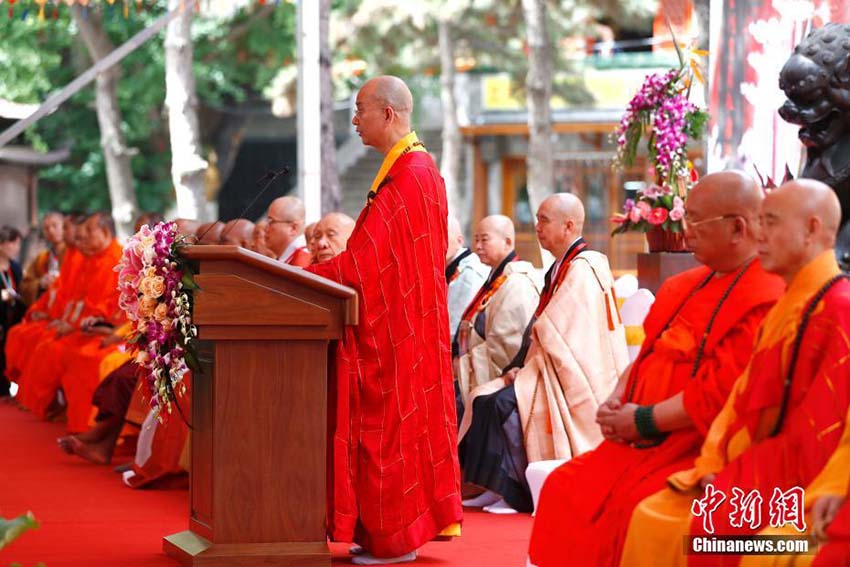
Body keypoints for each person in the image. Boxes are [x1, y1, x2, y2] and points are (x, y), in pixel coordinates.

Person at [528, 171, 786, 567]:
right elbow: (646, 354)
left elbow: (721, 394)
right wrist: (617, 398)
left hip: (692, 446)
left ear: (738, 227)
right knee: (563, 488)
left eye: (695, 221)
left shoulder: (767, 294)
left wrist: (644, 420)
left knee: (632, 510)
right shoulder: (682, 286)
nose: (685, 231)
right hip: (636, 441)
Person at [619, 179, 850, 567]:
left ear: (812, 229)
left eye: (771, 223)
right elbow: (739, 404)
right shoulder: (790, 304)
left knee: (727, 542)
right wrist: (713, 463)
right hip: (764, 466)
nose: (758, 234)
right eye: (758, 222)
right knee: (652, 516)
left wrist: (833, 488)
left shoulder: (839, 310)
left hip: (810, 481)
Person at [306, 75, 462, 565]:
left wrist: (310, 274)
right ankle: (380, 534)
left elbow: (364, 264)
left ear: (388, 114)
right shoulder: (410, 170)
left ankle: (394, 538)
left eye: (359, 110)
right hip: (401, 324)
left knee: (388, 427)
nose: (353, 121)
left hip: (397, 331)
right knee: (390, 428)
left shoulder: (413, 175)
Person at [460, 193, 629, 515]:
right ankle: (491, 486)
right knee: (481, 397)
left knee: (504, 404)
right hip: (545, 360)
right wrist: (518, 365)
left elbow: (561, 330)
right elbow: (542, 324)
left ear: (568, 226)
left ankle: (514, 491)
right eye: (536, 219)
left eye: (544, 220)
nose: (537, 227)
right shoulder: (561, 266)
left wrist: (525, 367)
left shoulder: (583, 267)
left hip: (575, 369)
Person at [14, 212, 125, 431]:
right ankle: (66, 413)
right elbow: (69, 296)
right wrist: (48, 313)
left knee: (77, 356)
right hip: (90, 327)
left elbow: (110, 307)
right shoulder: (90, 258)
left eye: (85, 236)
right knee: (48, 345)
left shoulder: (116, 259)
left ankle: (92, 425)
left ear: (104, 232)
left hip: (111, 331)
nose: (79, 242)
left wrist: (75, 325)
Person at [453, 215, 539, 420]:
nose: (478, 246)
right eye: (476, 239)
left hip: (490, 385)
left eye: (485, 239)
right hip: (468, 369)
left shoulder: (517, 283)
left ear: (507, 242)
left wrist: (461, 365)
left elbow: (506, 349)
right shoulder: (495, 277)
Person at [445, 215, 489, 345]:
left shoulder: (468, 272)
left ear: (460, 241)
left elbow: (454, 326)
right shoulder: (450, 266)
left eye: (443, 237)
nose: (437, 243)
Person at [0, 226, 25, 397]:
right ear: (2, 244)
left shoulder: (15, 267)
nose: (17, 248)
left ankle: (8, 388)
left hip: (13, 318)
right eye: (14, 243)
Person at [20, 212, 65, 306]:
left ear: (64, 227)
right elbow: (24, 285)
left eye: (54, 225)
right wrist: (40, 283)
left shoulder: (76, 254)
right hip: (46, 306)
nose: (51, 230)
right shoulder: (42, 258)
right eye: (46, 228)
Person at [262, 196, 312, 267]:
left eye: (271, 221)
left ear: (293, 228)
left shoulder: (302, 263)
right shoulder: (289, 258)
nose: (265, 228)